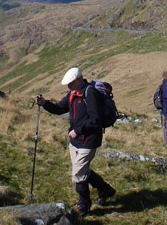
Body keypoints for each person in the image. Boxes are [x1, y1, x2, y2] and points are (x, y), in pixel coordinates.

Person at [35, 67, 115, 216]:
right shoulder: (73, 94)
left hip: (88, 140)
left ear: (79, 80)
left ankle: (84, 207)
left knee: (78, 174)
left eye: (71, 83)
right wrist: (45, 103)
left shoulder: (90, 93)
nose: (68, 87)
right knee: (83, 171)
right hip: (75, 141)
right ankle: (106, 190)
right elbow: (59, 108)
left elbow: (95, 119)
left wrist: (78, 130)